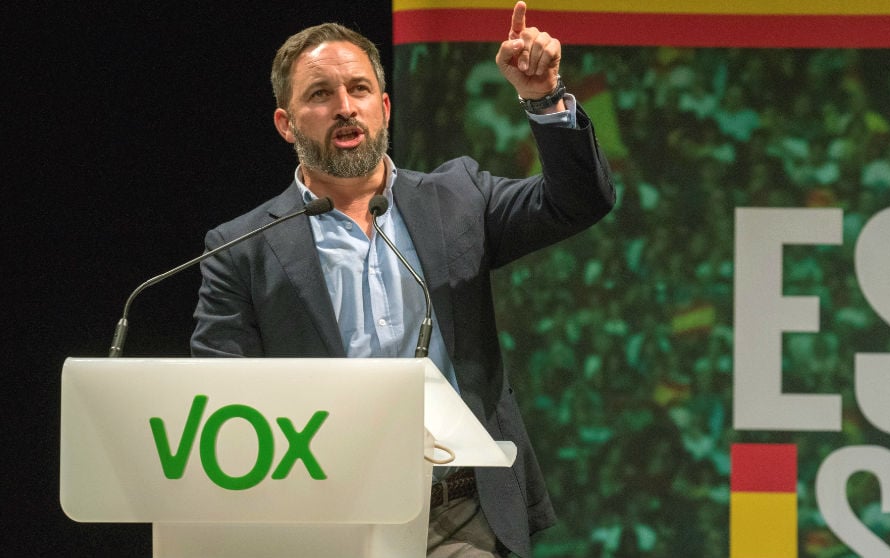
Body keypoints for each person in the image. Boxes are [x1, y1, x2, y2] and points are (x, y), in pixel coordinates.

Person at [190, 2, 615, 556]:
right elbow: (221, 395)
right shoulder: (242, 248)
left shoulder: (457, 198)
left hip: (460, 511)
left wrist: (543, 98)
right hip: (325, 517)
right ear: (286, 123)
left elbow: (578, 200)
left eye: (359, 89)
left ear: (385, 107)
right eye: (320, 94)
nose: (345, 107)